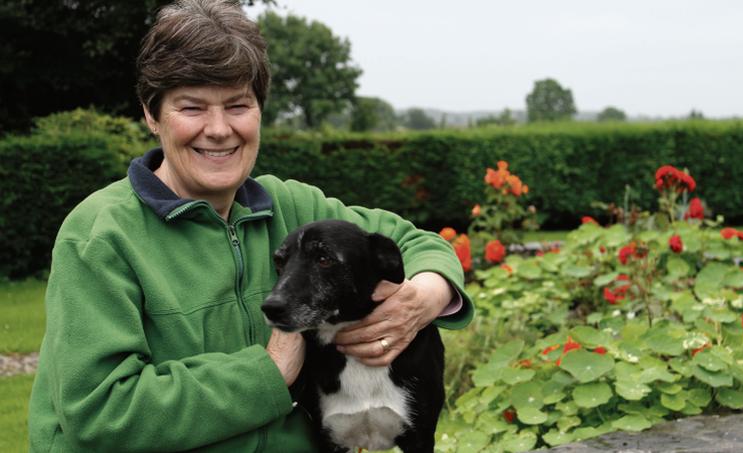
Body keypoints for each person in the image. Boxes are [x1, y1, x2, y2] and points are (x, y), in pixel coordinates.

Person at [27, 0, 473, 451]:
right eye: (192, 107)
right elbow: (99, 412)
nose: (219, 129)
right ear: (150, 113)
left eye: (238, 105)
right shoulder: (101, 235)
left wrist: (425, 296)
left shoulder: (295, 207)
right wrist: (270, 371)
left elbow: (417, 242)